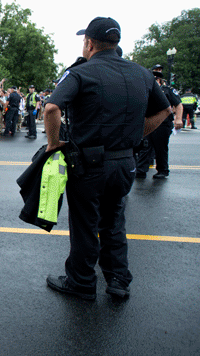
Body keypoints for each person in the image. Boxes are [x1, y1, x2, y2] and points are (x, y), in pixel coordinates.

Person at [43, 17, 172, 300]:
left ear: (89, 43)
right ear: (117, 42)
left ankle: (81, 282)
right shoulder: (143, 74)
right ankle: (118, 280)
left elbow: (52, 108)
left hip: (88, 164)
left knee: (86, 223)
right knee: (114, 221)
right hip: (125, 161)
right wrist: (138, 134)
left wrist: (54, 145)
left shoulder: (81, 73)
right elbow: (165, 111)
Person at [135, 71, 184, 179]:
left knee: (160, 147)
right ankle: (141, 170)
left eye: (157, 79)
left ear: (159, 80)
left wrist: (179, 119)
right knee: (144, 146)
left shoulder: (167, 90)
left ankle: (162, 170)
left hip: (163, 123)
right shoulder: (144, 88)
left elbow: (178, 104)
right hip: (148, 121)